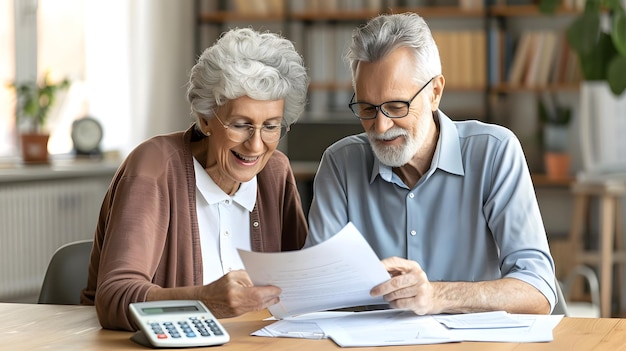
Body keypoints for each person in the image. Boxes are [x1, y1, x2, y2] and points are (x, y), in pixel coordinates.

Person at [305, 13, 557, 316]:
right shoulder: (340, 164)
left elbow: (538, 289)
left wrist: (437, 295)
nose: (381, 127)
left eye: (397, 107)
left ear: (435, 92)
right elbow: (316, 290)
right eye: (367, 108)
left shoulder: (494, 153)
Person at [80, 28, 310, 331]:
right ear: (205, 119)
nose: (256, 146)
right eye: (241, 125)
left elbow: (305, 285)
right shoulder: (154, 168)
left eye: (271, 126)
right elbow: (114, 298)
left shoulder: (275, 172)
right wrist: (204, 300)